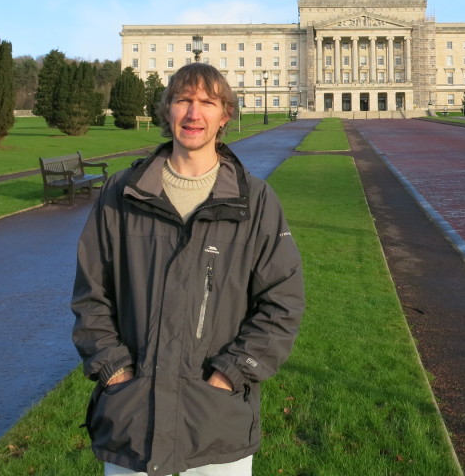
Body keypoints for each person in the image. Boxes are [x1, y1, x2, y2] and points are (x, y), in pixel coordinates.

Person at [71, 63, 304, 476]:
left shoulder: (257, 201)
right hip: (132, 421)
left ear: (225, 115)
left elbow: (281, 304)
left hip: (215, 425)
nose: (194, 114)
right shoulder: (120, 194)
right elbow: (92, 295)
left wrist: (230, 376)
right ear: (168, 110)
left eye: (208, 103)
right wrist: (115, 373)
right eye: (184, 100)